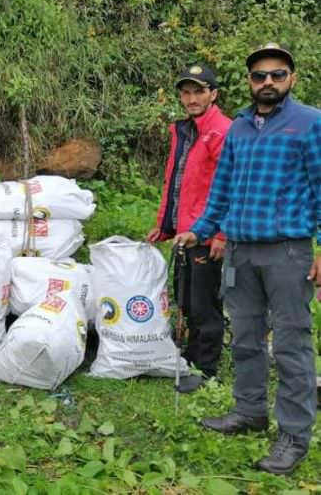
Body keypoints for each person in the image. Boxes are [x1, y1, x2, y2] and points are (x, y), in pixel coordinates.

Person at [174, 43, 321, 475]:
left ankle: (294, 434)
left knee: (292, 343)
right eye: (260, 76)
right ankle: (250, 411)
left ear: (291, 79)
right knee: (244, 337)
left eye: (277, 74)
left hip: (287, 251)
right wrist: (199, 229)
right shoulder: (238, 128)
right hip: (239, 249)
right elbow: (222, 190)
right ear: (250, 82)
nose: (268, 82)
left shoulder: (310, 123)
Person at [146, 64, 231, 393]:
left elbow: (231, 186)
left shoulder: (220, 131)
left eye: (199, 91)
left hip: (207, 235)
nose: (192, 98)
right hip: (186, 232)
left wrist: (222, 233)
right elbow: (179, 183)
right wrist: (163, 226)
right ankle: (191, 359)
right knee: (185, 298)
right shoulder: (187, 130)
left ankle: (205, 369)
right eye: (186, 92)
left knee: (203, 305)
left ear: (213, 94)